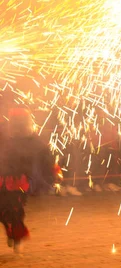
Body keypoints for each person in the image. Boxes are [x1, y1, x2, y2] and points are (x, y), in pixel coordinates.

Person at [0, 107, 54, 252]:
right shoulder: (4, 135)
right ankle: (12, 234)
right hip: (2, 179)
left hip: (18, 181)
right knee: (3, 210)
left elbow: (45, 157)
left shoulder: (33, 140)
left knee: (15, 209)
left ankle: (16, 237)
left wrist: (53, 171)